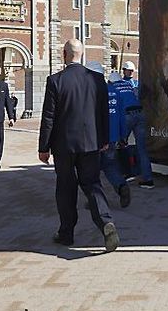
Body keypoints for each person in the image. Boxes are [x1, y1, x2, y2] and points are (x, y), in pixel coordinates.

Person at [38, 40, 119, 252]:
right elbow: (103, 113)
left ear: (65, 54)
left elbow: (48, 117)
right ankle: (105, 223)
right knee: (92, 184)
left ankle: (66, 233)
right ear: (81, 55)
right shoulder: (97, 79)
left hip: (63, 145)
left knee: (65, 188)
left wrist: (43, 147)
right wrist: (104, 140)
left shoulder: (55, 80)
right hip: (91, 143)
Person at [115, 64, 154, 189]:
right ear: (124, 71)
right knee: (141, 148)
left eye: (132, 71)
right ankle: (147, 179)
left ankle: (125, 173)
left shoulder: (114, 86)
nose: (130, 72)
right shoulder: (132, 85)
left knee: (119, 144)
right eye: (129, 70)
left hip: (127, 116)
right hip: (139, 114)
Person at [100, 69, 132, 207]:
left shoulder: (94, 92)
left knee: (92, 170)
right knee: (110, 166)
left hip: (97, 138)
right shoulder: (116, 92)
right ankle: (121, 186)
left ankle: (96, 200)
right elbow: (121, 118)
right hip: (112, 137)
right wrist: (123, 136)